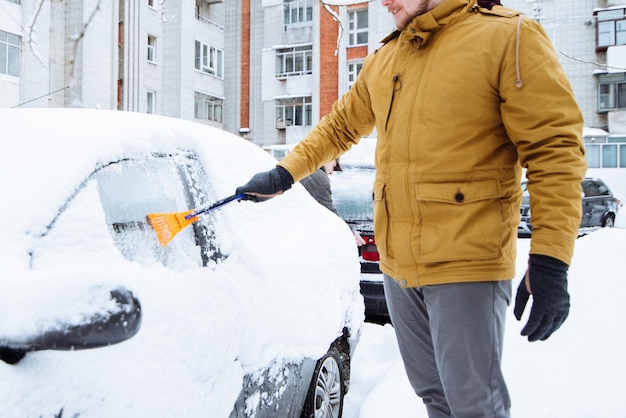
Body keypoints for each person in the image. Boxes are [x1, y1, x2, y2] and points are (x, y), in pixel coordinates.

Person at [235, 0, 587, 416]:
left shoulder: (506, 37)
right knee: (434, 398)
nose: (384, 1)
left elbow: (555, 152)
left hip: (466, 264)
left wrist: (551, 258)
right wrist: (285, 174)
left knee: (475, 406)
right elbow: (341, 125)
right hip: (398, 267)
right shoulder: (390, 55)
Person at [300, 159, 366, 246]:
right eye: (334, 167)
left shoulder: (304, 169)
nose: (331, 173)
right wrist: (350, 232)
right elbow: (330, 213)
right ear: (330, 158)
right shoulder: (320, 179)